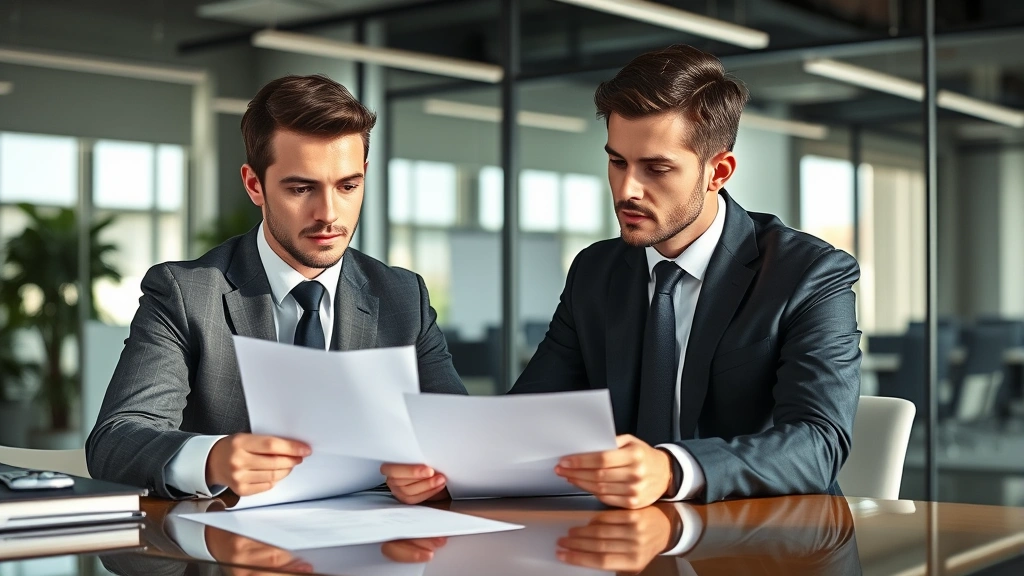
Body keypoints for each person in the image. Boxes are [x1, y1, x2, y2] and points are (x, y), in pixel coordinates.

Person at [382, 44, 860, 508]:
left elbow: (818, 443)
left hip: (767, 542)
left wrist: (672, 469)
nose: (628, 189)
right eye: (617, 161)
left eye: (657, 168)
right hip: (626, 538)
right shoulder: (596, 271)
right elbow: (530, 416)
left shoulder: (809, 274)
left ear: (719, 171)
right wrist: (450, 470)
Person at [87, 74, 465, 500]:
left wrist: (432, 474)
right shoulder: (186, 293)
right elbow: (115, 440)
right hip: (227, 551)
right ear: (255, 185)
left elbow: (459, 439)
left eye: (347, 186)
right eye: (301, 188)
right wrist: (212, 458)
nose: (328, 213)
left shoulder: (402, 295)